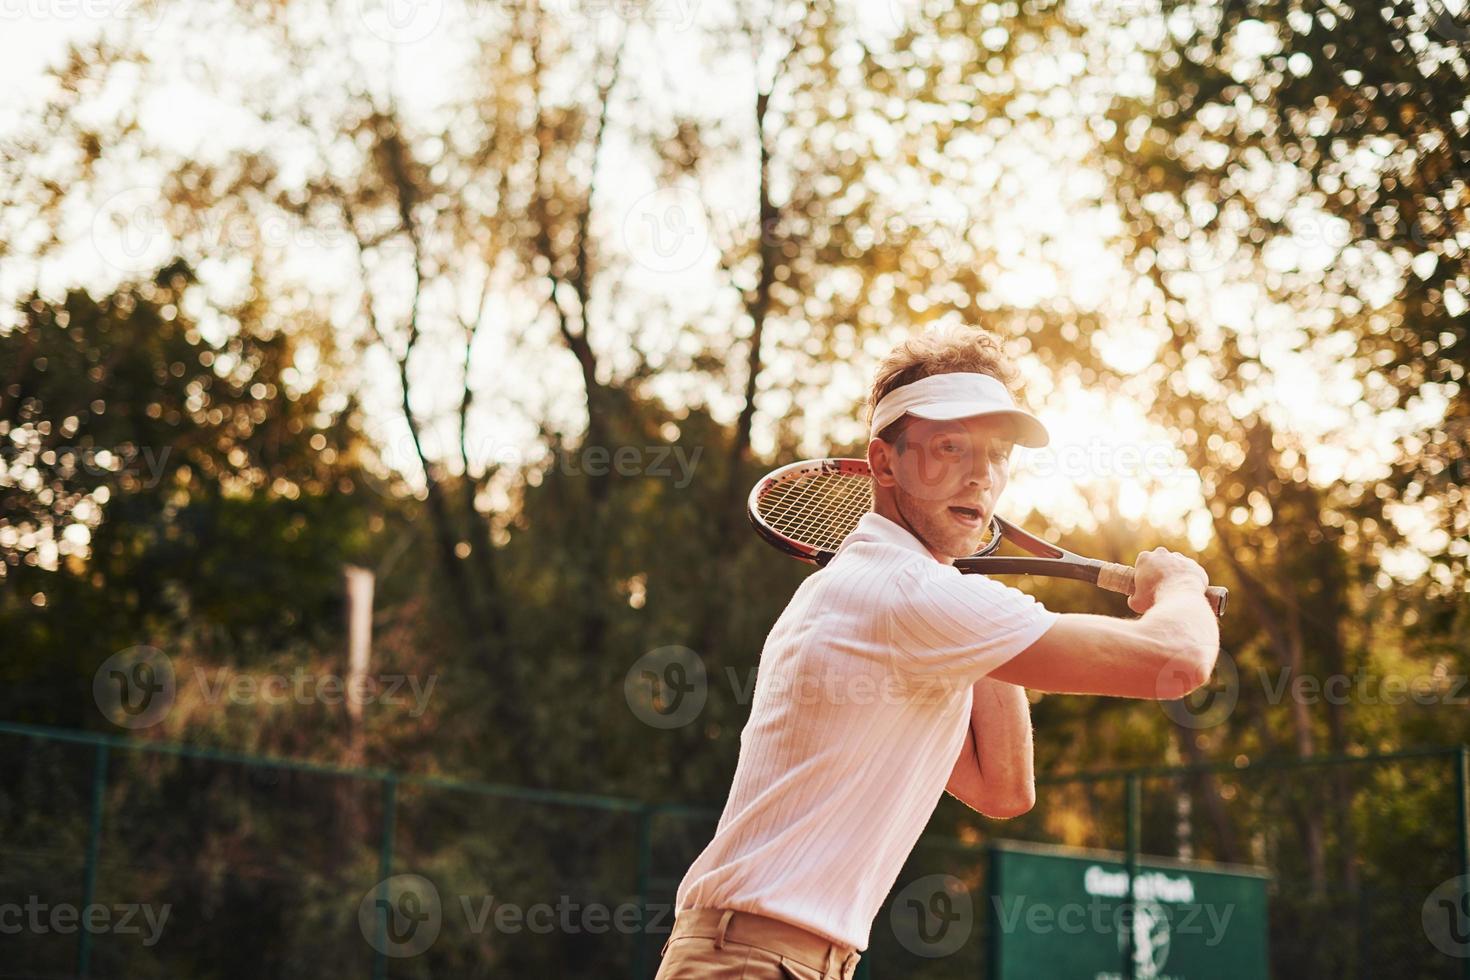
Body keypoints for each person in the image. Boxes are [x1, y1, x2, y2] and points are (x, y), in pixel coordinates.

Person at [654, 326, 1220, 980]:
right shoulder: (899, 590)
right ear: (884, 463)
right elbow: (1175, 661)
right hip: (754, 961)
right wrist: (1182, 585)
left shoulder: (898, 592)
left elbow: (1004, 788)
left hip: (774, 957)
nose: (982, 474)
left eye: (998, 452)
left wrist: (983, 623)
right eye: (951, 447)